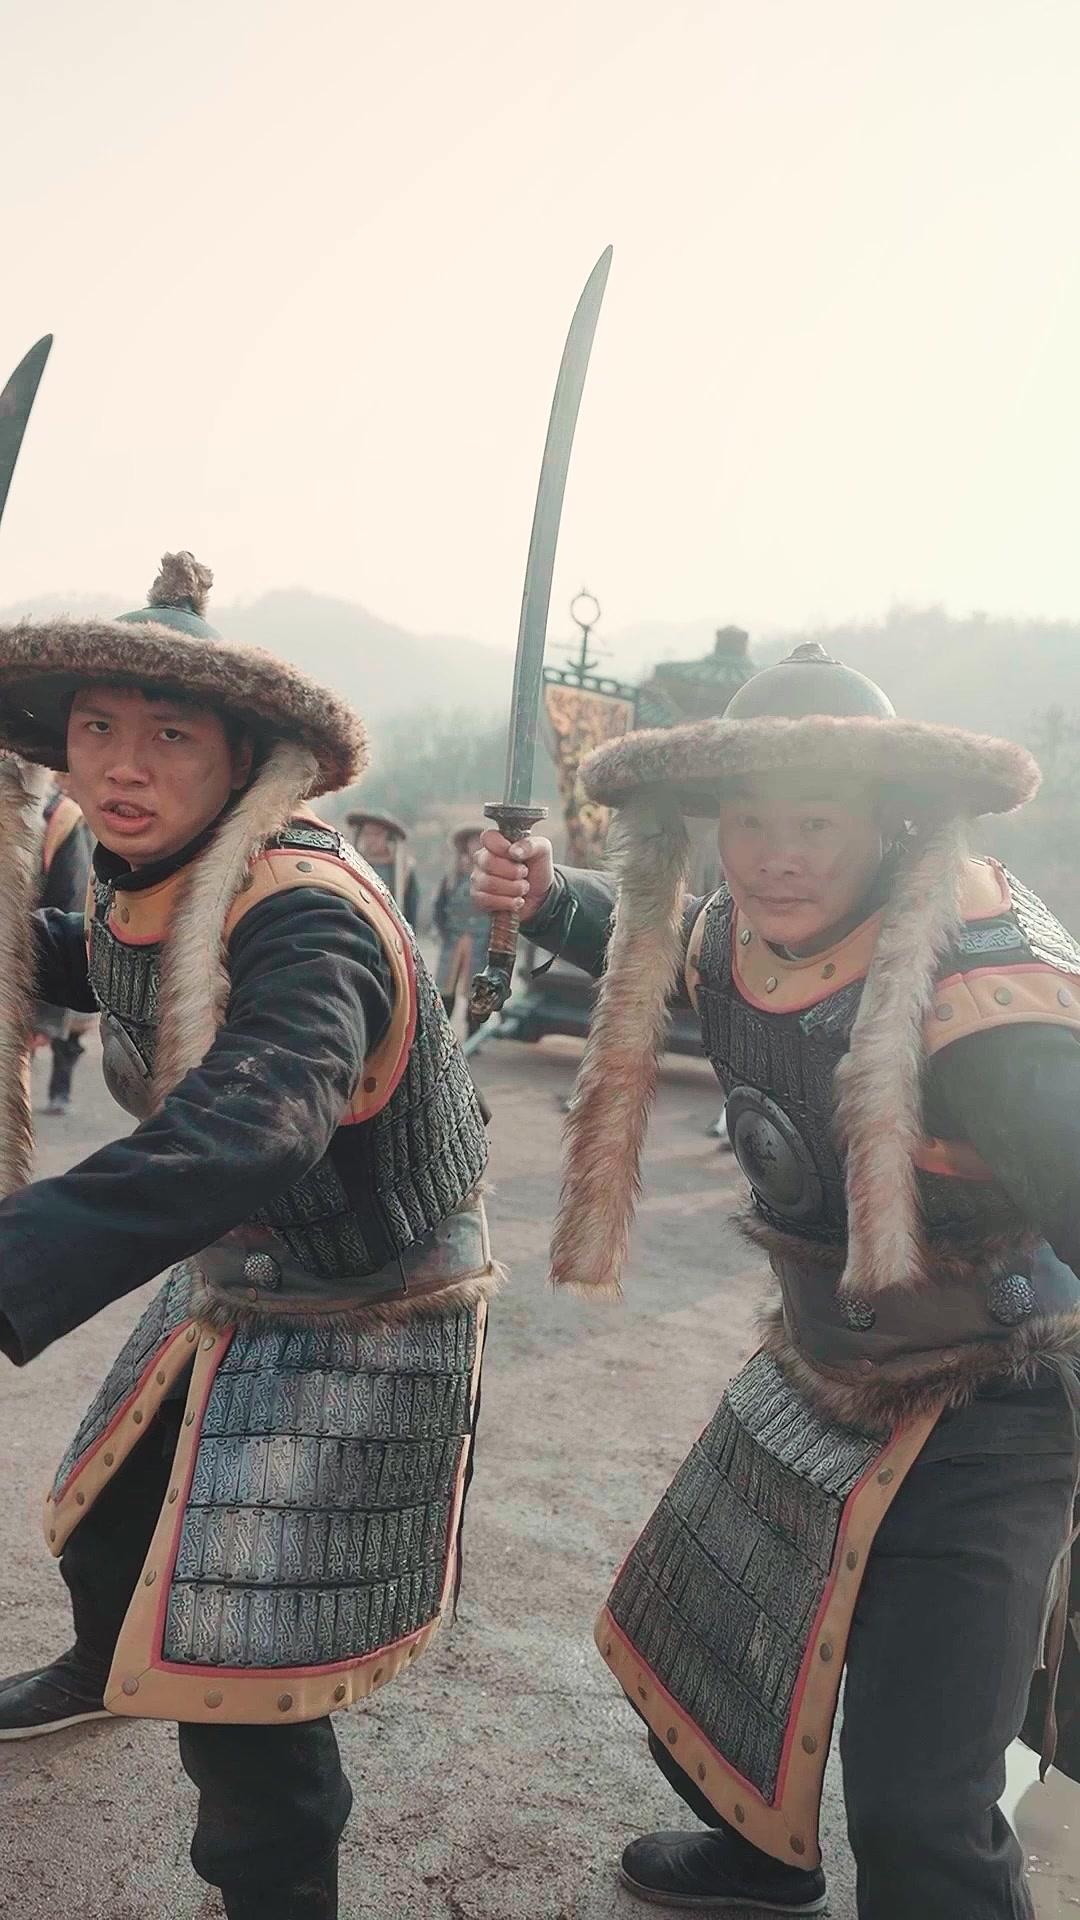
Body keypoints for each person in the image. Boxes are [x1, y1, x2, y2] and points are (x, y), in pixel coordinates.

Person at [473, 641, 1080, 1920]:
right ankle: (765, 1859)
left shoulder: (985, 985)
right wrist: (548, 891)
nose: (776, 856)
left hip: (994, 1401)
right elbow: (658, 930)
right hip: (815, 1366)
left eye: (815, 823)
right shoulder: (735, 931)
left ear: (886, 823)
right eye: (750, 822)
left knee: (919, 1813)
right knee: (698, 1652)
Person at [0, 553, 497, 1920]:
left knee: (243, 1670)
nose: (123, 764)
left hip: (365, 1295)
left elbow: (256, 1128)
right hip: (239, 1262)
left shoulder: (305, 913)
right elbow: (101, 953)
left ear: (242, 762)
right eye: (98, 727)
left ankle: (281, 1892)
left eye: (169, 734)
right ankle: (98, 1670)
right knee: (108, 1516)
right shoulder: (148, 874)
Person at [31, 773, 94, 1115]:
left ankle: (60, 1088)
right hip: (26, 948)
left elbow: (71, 900)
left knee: (67, 1037)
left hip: (51, 950)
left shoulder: (64, 818)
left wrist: (44, 1016)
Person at [433, 827, 488, 1037]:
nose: (476, 846)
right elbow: (439, 907)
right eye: (473, 842)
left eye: (480, 842)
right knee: (445, 990)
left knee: (477, 991)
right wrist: (443, 932)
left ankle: (474, 1036)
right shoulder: (452, 876)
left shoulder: (491, 876)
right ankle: (440, 1035)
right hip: (454, 940)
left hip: (480, 941)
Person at [344, 808, 419, 927]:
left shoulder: (403, 870)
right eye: (367, 834)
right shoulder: (353, 865)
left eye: (377, 834)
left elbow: (411, 909)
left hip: (390, 927)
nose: (371, 839)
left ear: (387, 837)